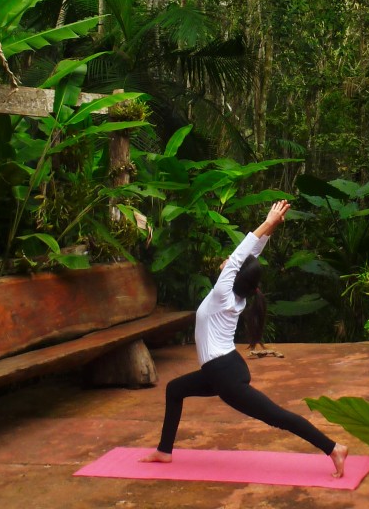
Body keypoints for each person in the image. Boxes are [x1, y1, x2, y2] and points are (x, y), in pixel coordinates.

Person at [140, 200, 349, 478]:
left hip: (224, 375)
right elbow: (249, 256)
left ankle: (333, 448)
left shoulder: (223, 293)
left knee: (276, 417)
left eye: (232, 264)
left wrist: (267, 222)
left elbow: (241, 254)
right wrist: (271, 229)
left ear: (233, 275)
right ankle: (164, 451)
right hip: (221, 369)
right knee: (174, 390)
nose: (228, 261)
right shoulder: (236, 294)